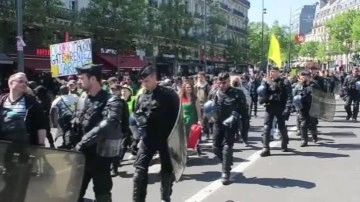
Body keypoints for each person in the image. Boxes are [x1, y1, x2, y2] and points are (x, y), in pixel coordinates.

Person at [70, 64, 123, 202]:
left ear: (93, 79)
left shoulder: (112, 100)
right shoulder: (82, 98)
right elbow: (76, 121)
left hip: (100, 155)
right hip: (81, 155)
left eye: (82, 78)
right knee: (73, 192)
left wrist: (83, 142)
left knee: (102, 193)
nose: (79, 82)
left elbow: (108, 124)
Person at [132, 65, 180, 202]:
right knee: (139, 172)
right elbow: (136, 115)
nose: (144, 84)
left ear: (154, 78)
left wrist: (177, 142)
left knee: (166, 171)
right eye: (143, 81)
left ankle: (165, 198)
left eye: (146, 80)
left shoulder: (168, 94)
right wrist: (136, 138)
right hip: (148, 138)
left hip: (166, 138)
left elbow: (178, 119)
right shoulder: (141, 97)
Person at [208, 72, 249, 185]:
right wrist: (208, 118)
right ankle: (227, 161)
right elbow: (209, 107)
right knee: (216, 148)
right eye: (219, 82)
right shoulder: (214, 92)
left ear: (228, 81)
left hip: (231, 124)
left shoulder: (237, 93)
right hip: (217, 123)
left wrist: (244, 127)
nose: (221, 85)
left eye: (224, 82)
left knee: (227, 147)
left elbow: (244, 111)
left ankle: (225, 172)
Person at [0, 72, 47, 146]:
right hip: (3, 145)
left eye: (26, 82)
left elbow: (41, 126)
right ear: (11, 83)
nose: (24, 84)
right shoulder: (1, 100)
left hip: (25, 145)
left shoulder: (33, 103)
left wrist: (41, 145)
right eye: (20, 81)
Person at [258, 67, 292, 157]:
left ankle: (284, 142)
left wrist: (287, 108)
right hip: (270, 107)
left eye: (273, 71)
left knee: (281, 126)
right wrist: (262, 97)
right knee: (266, 127)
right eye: (270, 71)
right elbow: (261, 95)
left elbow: (289, 96)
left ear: (278, 73)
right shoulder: (266, 82)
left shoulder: (284, 82)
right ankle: (265, 148)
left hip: (280, 107)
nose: (271, 73)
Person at [293, 70, 321, 147]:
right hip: (303, 107)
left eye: (305, 77)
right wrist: (293, 107)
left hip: (313, 107)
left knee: (313, 124)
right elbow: (294, 96)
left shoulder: (314, 85)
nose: (303, 79)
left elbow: (320, 95)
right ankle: (304, 140)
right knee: (303, 124)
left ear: (309, 77)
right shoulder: (298, 86)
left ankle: (314, 135)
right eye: (302, 77)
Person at [179, 81, 202, 155]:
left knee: (192, 136)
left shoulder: (195, 98)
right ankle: (185, 153)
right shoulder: (181, 98)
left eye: (190, 87)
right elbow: (179, 110)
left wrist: (199, 120)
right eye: (187, 87)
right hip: (183, 120)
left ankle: (196, 147)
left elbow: (198, 110)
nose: (189, 89)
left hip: (192, 120)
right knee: (183, 137)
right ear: (184, 88)